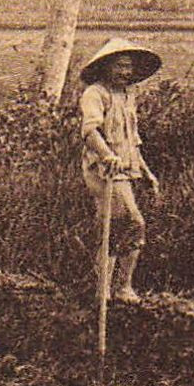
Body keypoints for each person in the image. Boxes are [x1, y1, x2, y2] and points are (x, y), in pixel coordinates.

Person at [78, 37, 162, 304]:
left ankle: (116, 287)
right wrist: (107, 156)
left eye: (129, 67)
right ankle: (114, 289)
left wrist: (146, 171)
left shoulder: (127, 95)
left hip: (127, 169)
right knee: (130, 222)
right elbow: (90, 131)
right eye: (120, 65)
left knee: (119, 226)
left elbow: (132, 139)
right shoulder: (95, 93)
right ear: (106, 67)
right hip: (104, 171)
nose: (125, 72)